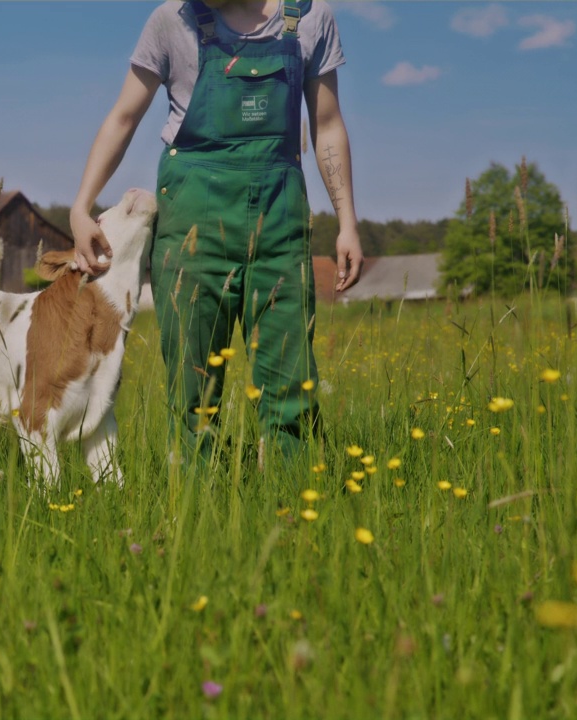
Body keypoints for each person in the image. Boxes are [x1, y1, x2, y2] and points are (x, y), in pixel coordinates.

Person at [69, 0, 363, 464]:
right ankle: (197, 512)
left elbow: (326, 125)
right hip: (192, 224)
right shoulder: (173, 19)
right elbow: (124, 117)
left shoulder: (309, 19)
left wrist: (346, 222)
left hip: (279, 224)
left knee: (291, 381)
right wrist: (81, 206)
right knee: (192, 387)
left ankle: (294, 509)